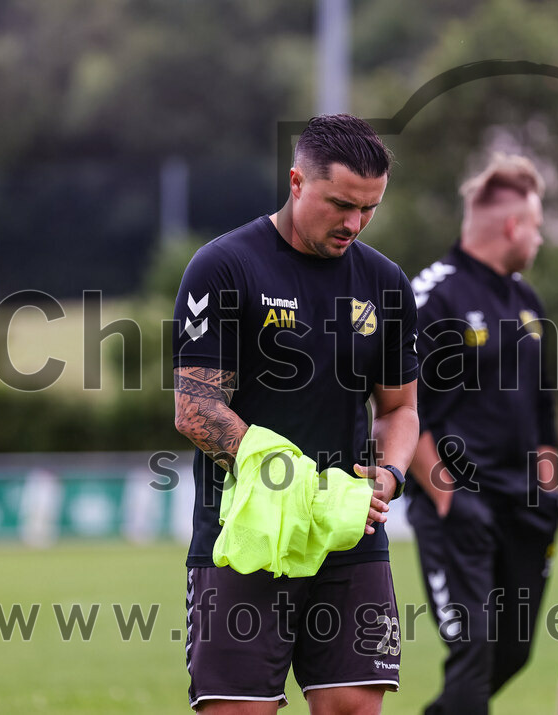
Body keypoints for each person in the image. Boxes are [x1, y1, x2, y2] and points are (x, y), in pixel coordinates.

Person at [171, 114, 419, 714]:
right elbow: (195, 407)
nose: (354, 223)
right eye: (341, 204)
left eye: (369, 208)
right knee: (240, 709)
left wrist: (388, 476)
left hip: (348, 534)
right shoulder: (223, 266)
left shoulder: (385, 283)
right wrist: (291, 482)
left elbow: (400, 408)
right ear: (297, 182)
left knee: (352, 706)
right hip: (246, 536)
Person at [406, 154, 558, 715]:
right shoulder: (433, 297)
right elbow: (401, 411)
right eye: (537, 225)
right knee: (473, 651)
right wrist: (449, 496)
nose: (539, 238)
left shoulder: (528, 302)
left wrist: (549, 492)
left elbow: (544, 415)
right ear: (514, 226)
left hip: (525, 509)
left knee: (512, 653)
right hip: (460, 511)